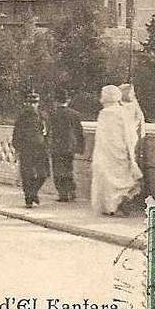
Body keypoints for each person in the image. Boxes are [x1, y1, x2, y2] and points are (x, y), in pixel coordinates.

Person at [90, 85, 143, 216]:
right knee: (120, 177)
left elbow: (100, 136)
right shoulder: (122, 112)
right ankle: (120, 201)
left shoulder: (104, 113)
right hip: (119, 150)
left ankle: (110, 206)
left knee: (106, 178)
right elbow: (129, 132)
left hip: (105, 151)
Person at [11, 91, 49, 208]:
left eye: (35, 102)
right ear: (26, 103)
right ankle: (29, 199)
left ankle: (33, 193)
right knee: (27, 175)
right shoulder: (22, 117)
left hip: (40, 149)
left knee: (44, 174)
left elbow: (48, 132)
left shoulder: (43, 116)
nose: (33, 105)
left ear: (38, 103)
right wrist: (17, 149)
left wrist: (47, 144)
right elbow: (16, 134)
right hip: (26, 149)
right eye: (30, 102)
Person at [47, 92, 85, 202]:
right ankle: (71, 191)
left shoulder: (52, 114)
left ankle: (62, 194)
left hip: (56, 146)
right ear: (67, 101)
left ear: (56, 102)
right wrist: (81, 146)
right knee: (69, 168)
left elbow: (48, 131)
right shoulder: (75, 114)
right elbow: (79, 132)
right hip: (70, 146)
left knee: (58, 170)